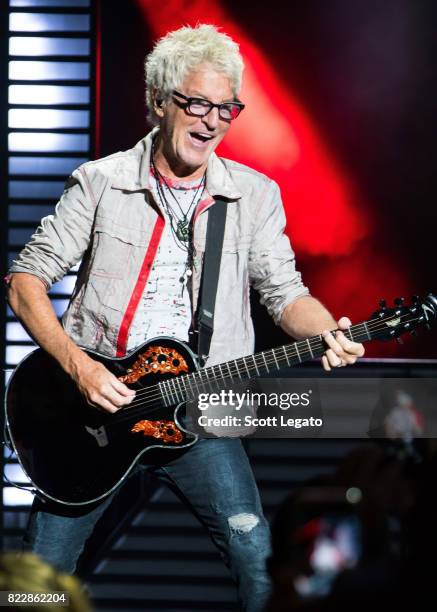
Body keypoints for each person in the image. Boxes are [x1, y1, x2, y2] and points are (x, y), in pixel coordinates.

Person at [5, 24, 364, 612]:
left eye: (226, 108)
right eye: (197, 103)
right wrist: (81, 370)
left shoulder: (254, 195)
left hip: (200, 410)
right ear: (158, 101)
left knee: (259, 563)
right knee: (33, 586)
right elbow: (25, 283)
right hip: (95, 413)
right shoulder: (102, 182)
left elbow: (284, 292)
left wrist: (325, 327)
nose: (211, 121)